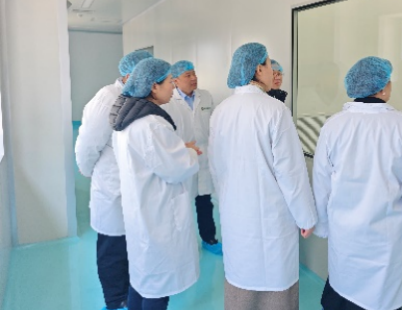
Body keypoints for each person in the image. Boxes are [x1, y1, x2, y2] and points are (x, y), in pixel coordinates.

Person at [312, 57, 402, 310]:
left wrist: (322, 225)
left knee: (343, 293)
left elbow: (322, 183)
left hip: (344, 235)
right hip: (384, 241)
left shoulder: (334, 125)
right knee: (380, 300)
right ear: (383, 88)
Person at [209, 43, 318, 309]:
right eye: (270, 65)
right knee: (274, 282)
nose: (273, 71)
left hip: (235, 213)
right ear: (258, 69)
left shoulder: (221, 110)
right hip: (272, 217)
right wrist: (306, 217)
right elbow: (291, 172)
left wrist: (226, 199)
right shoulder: (275, 110)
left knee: (241, 278)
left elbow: (215, 164)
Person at [110, 58, 203, 310]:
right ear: (154, 86)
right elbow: (177, 168)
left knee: (142, 280)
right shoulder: (151, 124)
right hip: (158, 216)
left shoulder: (128, 119)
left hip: (140, 211)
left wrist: (178, 148)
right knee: (158, 288)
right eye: (170, 82)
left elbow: (153, 156)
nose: (173, 87)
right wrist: (190, 152)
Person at [76, 49, 153, 310]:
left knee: (135, 248)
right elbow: (88, 145)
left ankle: (131, 294)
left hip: (138, 188)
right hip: (112, 187)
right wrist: (92, 173)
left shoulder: (142, 97)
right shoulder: (107, 98)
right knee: (112, 249)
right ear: (129, 74)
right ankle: (114, 300)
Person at [159, 60, 221, 255]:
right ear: (176, 80)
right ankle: (182, 244)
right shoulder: (168, 101)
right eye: (188, 75)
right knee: (181, 204)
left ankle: (209, 239)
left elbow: (214, 125)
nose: (194, 78)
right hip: (181, 156)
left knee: (205, 201)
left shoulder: (205, 96)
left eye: (194, 74)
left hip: (204, 156)